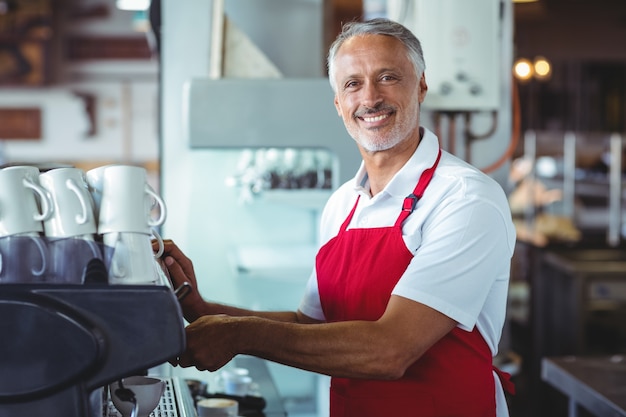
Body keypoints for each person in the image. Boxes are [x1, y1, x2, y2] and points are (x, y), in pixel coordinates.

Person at [158, 17, 517, 417]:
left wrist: (238, 334)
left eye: (388, 77)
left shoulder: (466, 198)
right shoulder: (343, 203)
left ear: (421, 86)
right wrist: (204, 310)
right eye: (352, 84)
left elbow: (390, 349)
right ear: (338, 105)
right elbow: (311, 325)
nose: (370, 98)